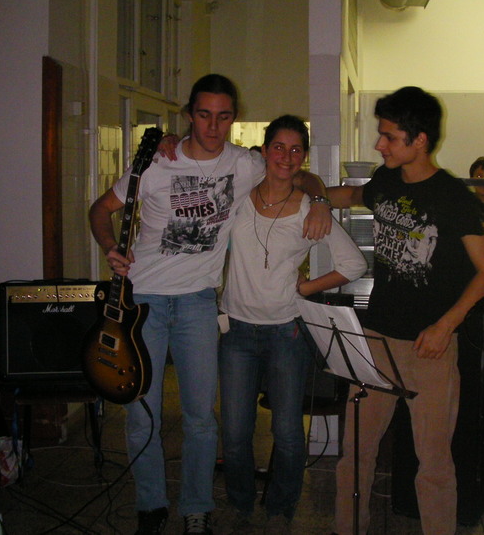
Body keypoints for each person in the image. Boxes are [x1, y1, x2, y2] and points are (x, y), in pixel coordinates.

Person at [88, 74, 332, 535]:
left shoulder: (245, 164)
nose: (213, 126)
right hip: (143, 304)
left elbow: (294, 171)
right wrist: (109, 246)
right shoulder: (156, 165)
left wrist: (319, 199)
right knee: (142, 413)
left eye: (223, 116)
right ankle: (150, 506)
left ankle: (196, 508)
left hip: (199, 303)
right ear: (189, 115)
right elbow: (100, 210)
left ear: (233, 118)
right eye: (204, 115)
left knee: (201, 418)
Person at [326, 86, 484, 535]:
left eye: (388, 136)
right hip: (376, 341)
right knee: (355, 453)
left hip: (430, 348)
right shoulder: (385, 182)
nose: (379, 144)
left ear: (419, 140)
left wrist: (446, 325)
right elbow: (349, 196)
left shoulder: (453, 196)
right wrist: (311, 196)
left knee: (434, 463)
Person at [217, 115, 366, 534]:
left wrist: (306, 288)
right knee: (235, 432)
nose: (286, 156)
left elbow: (354, 263)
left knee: (286, 431)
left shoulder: (308, 210)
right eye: (278, 147)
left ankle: (280, 509)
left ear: (304, 156)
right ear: (264, 151)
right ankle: (241, 504)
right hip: (237, 332)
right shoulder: (238, 198)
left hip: (287, 331)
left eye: (296, 149)